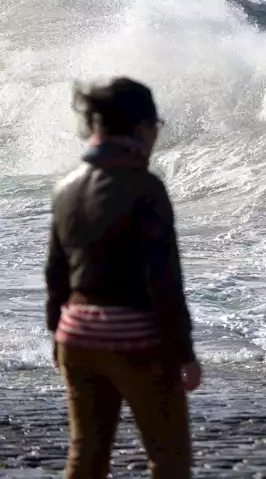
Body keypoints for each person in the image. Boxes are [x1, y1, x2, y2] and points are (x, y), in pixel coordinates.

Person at [45, 77, 201, 479]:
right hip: (135, 339)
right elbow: (164, 282)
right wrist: (184, 353)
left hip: (76, 338)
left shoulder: (65, 188)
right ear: (142, 128)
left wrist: (56, 337)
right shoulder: (145, 188)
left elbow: (56, 277)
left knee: (86, 456)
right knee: (169, 458)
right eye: (155, 128)